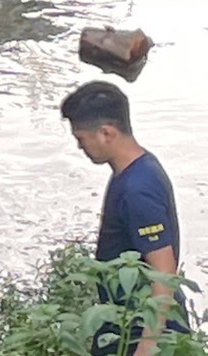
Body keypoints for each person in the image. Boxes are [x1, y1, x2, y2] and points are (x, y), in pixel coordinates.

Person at [61, 80, 189, 355]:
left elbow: (164, 271)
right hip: (123, 324)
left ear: (106, 133)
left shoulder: (137, 189)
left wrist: (147, 346)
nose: (79, 147)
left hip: (141, 332)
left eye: (81, 138)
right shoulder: (139, 168)